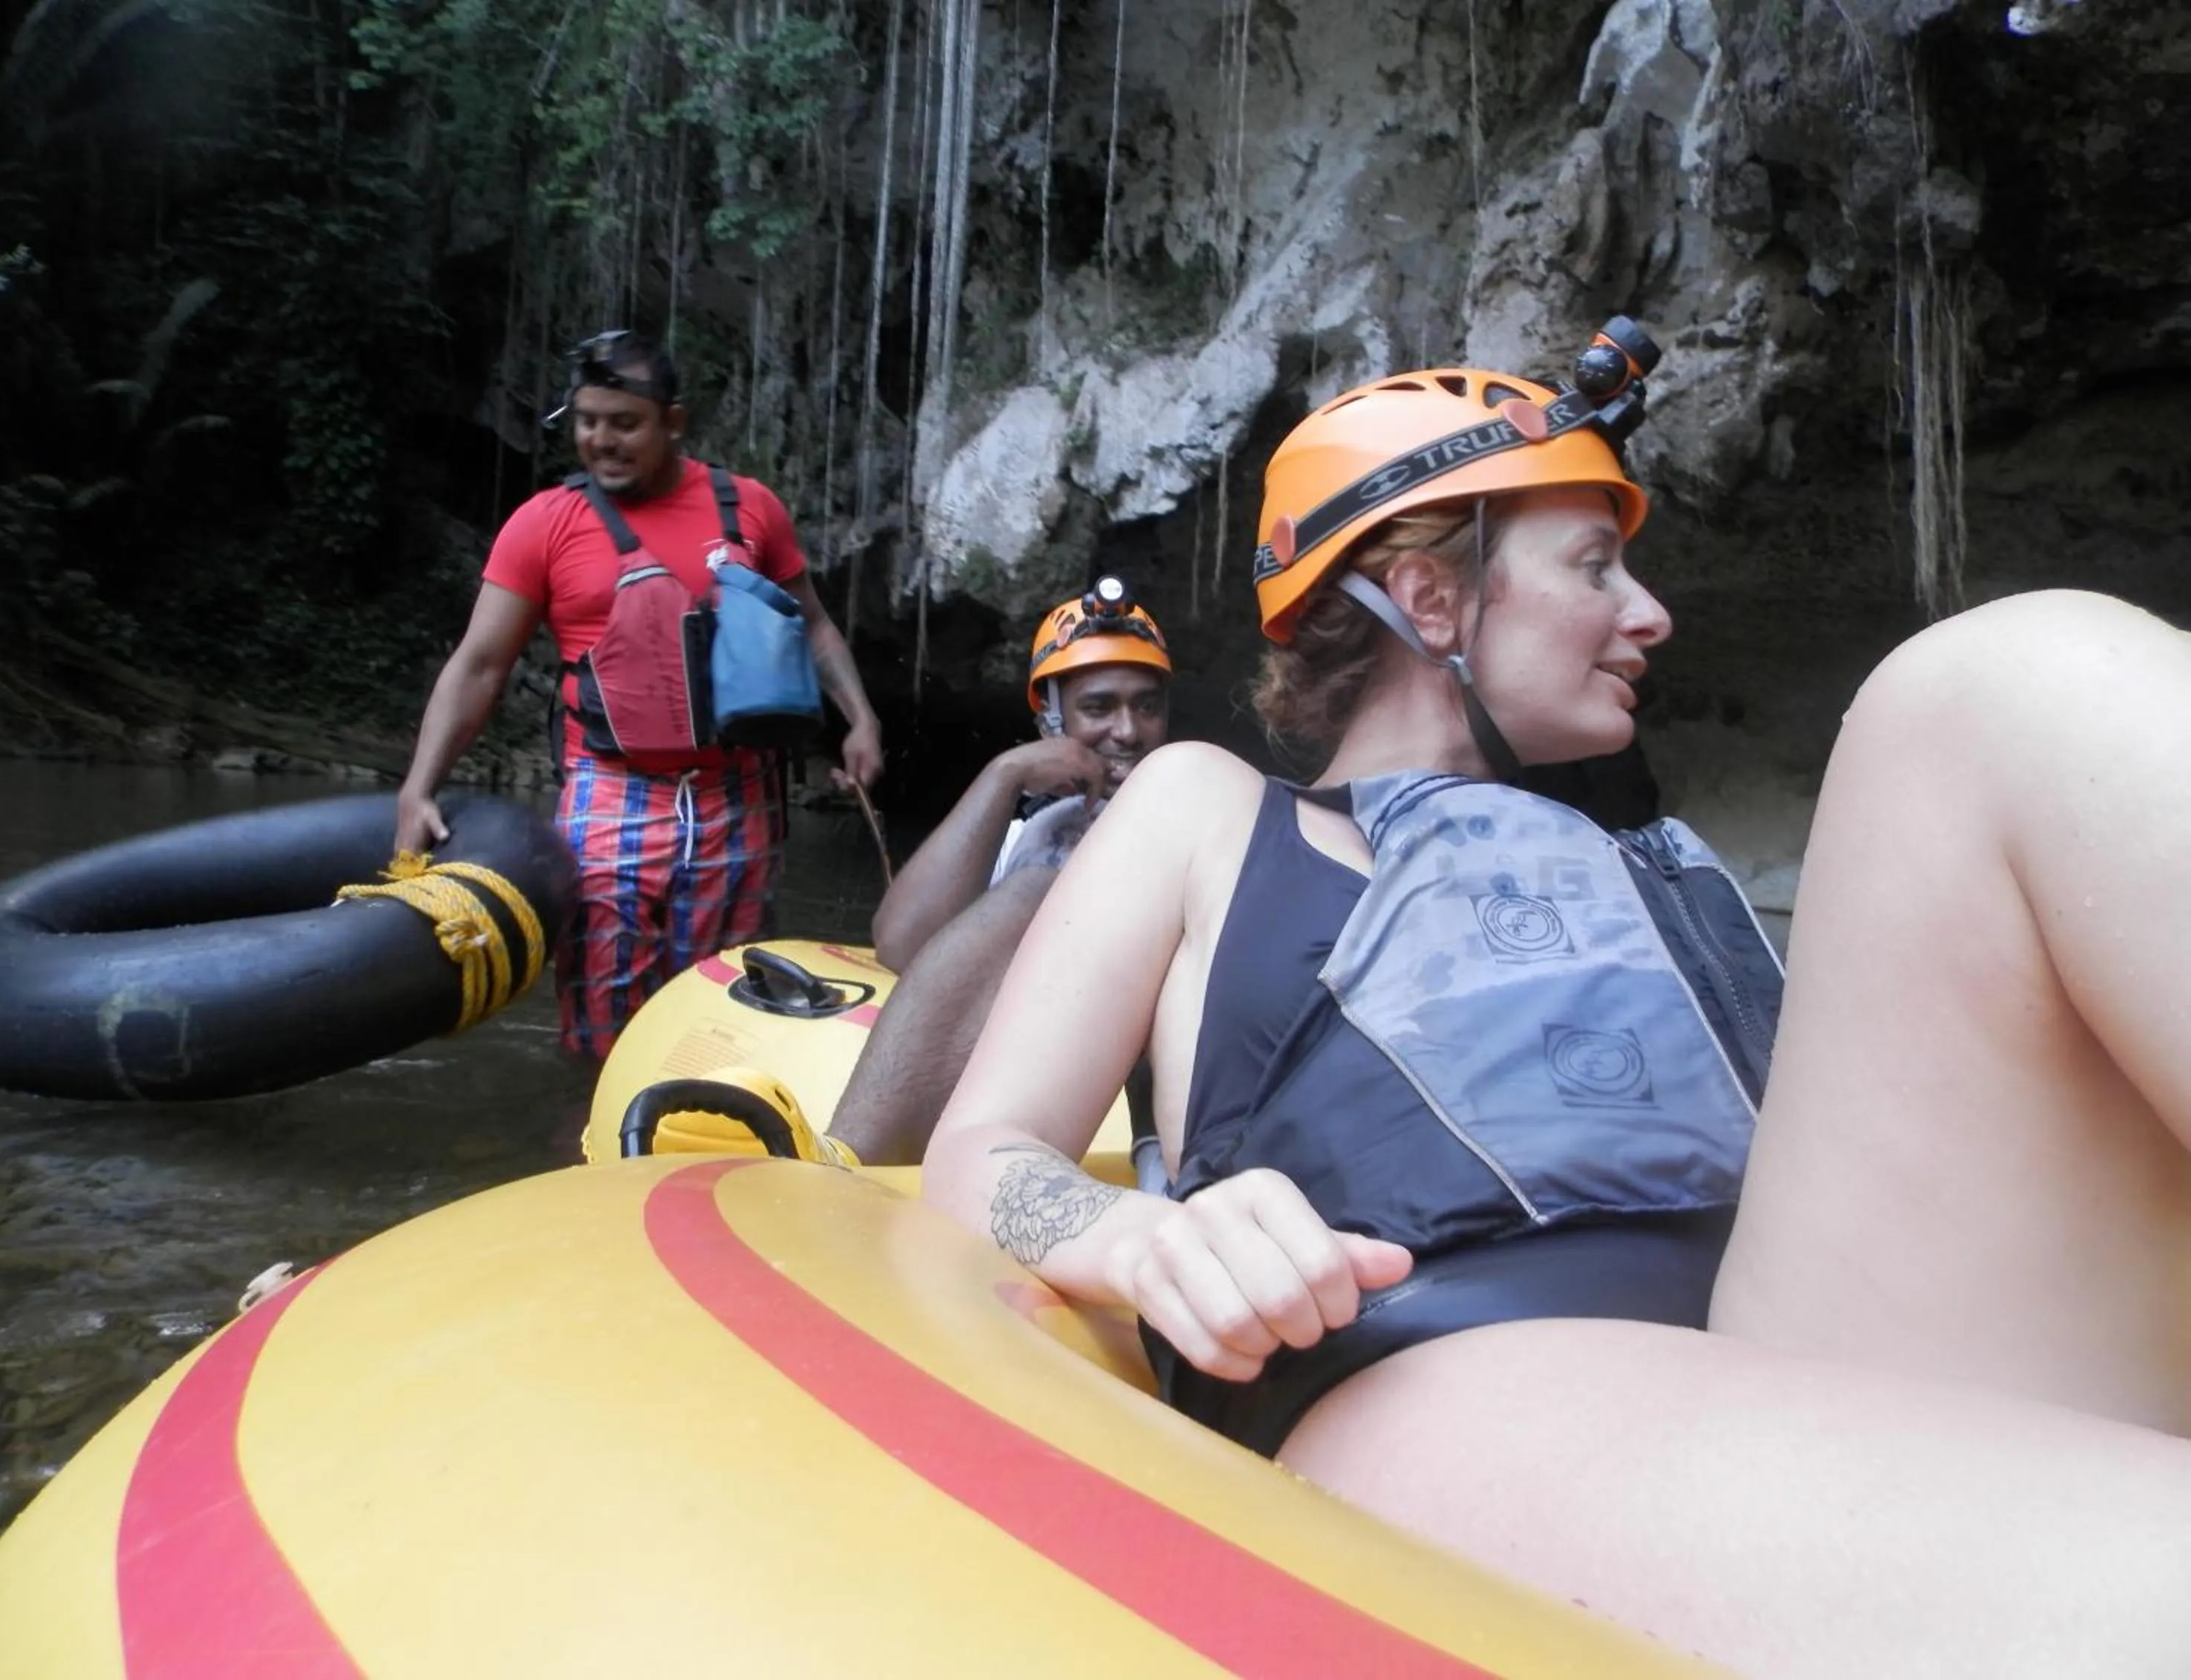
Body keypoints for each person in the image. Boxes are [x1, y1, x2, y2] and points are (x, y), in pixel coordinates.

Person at [923, 335, 2191, 1674]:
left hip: (1793, 1338)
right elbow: (979, 1150)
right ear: (1429, 595)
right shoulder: (1206, 812)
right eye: (1595, 566)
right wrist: (1137, 1238)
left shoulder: (1653, 866)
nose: (1649, 615)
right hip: (1463, 1365)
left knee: (2007, 677)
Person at [395, 331, 883, 1060]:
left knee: (723, 1003)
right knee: (601, 1000)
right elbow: (479, 665)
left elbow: (812, 624)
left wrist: (862, 720)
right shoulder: (545, 524)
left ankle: (705, 1140)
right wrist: (418, 788)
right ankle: (593, 1137)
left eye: (625, 423)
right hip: (612, 787)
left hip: (738, 793)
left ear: (673, 422)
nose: (602, 440)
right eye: (589, 421)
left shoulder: (749, 510)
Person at [811, 581, 1171, 1167]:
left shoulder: (1195, 811)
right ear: (1051, 721)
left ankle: (856, 1163)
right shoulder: (1031, 833)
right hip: (1024, 1065)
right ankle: (852, 1165)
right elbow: (901, 945)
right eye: (1100, 707)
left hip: (1136, 1060)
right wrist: (1003, 775)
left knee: (1037, 891)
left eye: (1147, 706)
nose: (1128, 731)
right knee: (1030, 885)